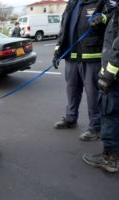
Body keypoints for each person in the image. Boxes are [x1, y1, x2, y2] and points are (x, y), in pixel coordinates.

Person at [52, 0, 108, 141]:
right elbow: (63, 28)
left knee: (93, 94)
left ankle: (95, 127)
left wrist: (103, 19)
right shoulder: (72, 3)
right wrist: (58, 49)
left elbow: (111, 20)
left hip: (91, 56)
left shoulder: (101, 1)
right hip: (71, 56)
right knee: (72, 90)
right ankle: (70, 118)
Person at [83, 1, 119, 173]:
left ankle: (110, 158)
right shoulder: (115, 11)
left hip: (114, 76)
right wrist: (104, 18)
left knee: (110, 112)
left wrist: (108, 75)